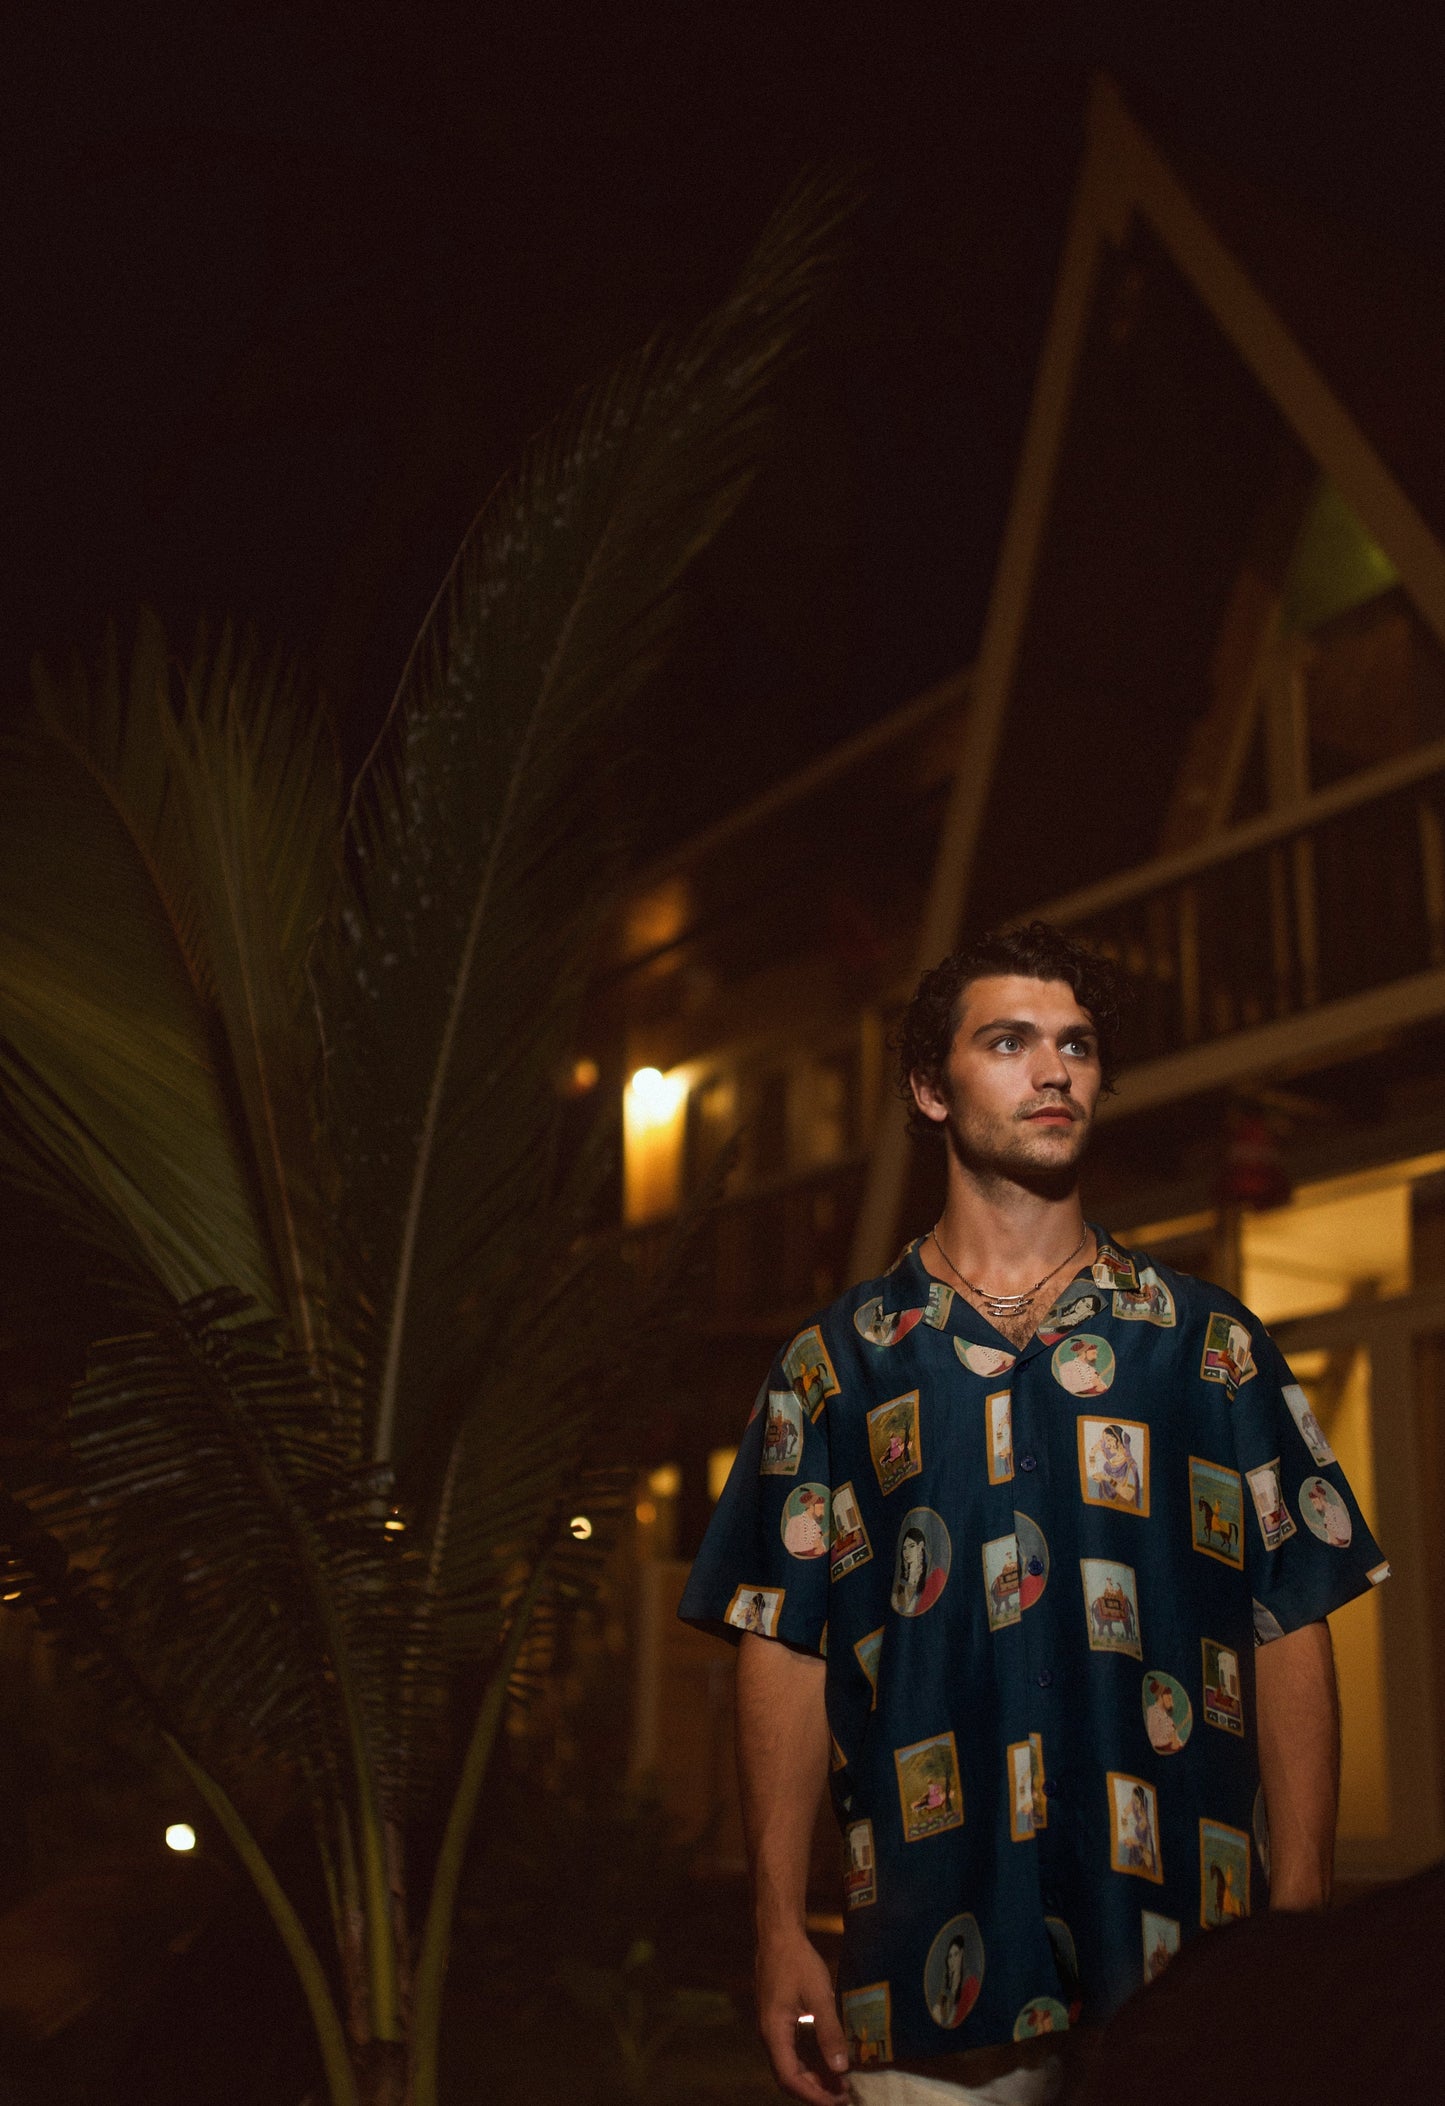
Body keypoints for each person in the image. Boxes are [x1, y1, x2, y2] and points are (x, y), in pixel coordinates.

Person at [678, 922, 1386, 2104]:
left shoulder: (1205, 1345)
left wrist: (1300, 1917)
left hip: (1187, 1964)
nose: (1052, 1070)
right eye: (1007, 1042)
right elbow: (783, 1646)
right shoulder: (836, 1365)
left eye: (1076, 1045)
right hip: (925, 1964)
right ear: (929, 1088)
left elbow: (1289, 1618)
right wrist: (774, 1926)